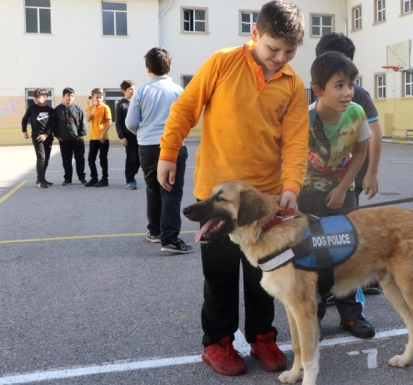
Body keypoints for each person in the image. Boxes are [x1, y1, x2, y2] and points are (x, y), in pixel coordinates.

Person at [156, 0, 308, 376]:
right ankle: (217, 343)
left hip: (265, 203)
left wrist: (291, 185)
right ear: (254, 34)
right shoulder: (222, 62)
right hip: (218, 199)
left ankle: (263, 337)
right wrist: (168, 152)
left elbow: (296, 142)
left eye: (289, 52)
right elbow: (186, 108)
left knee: (265, 278)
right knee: (220, 276)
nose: (280, 58)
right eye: (273, 49)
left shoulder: (293, 83)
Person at [300, 51, 373, 339]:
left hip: (344, 193)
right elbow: (289, 158)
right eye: (339, 85)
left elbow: (361, 151)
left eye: (351, 85)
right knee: (314, 258)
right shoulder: (303, 118)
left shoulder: (356, 112)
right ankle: (312, 316)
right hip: (307, 196)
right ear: (319, 90)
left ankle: (352, 315)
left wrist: (344, 188)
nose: (347, 92)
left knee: (350, 253)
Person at [314, 34, 385, 298]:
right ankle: (328, 284)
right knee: (320, 235)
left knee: (347, 234)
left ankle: (359, 285)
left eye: (350, 82)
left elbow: (374, 135)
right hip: (316, 184)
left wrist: (372, 173)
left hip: (348, 180)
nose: (346, 90)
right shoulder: (313, 97)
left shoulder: (358, 97)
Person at [125, 48, 192, 254]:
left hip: (147, 146)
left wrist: (145, 132)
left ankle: (155, 232)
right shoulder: (179, 91)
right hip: (172, 145)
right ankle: (170, 239)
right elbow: (188, 119)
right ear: (168, 66)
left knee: (153, 189)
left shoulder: (142, 91)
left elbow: (131, 123)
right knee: (171, 191)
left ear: (148, 68)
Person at [52, 88, 87, 186]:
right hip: (64, 140)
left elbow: (82, 122)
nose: (70, 98)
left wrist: (81, 134)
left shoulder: (77, 108)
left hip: (77, 140)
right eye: (68, 95)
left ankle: (82, 178)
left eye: (72, 96)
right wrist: (57, 135)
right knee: (66, 160)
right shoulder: (57, 110)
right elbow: (54, 124)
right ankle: (67, 179)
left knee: (80, 159)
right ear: (63, 96)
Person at [21, 88, 56, 188]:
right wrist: (24, 131)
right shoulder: (32, 108)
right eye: (34, 97)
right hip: (37, 138)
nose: (36, 99)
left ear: (45, 97)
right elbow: (24, 119)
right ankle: (40, 181)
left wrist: (46, 135)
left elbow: (53, 125)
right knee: (41, 158)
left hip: (47, 138)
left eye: (38, 97)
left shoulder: (50, 110)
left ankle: (42, 178)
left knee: (46, 159)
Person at [84, 88, 112, 187]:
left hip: (103, 138)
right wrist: (93, 107)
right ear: (92, 98)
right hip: (93, 138)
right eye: (97, 97)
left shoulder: (105, 107)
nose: (99, 99)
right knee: (91, 159)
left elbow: (109, 123)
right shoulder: (90, 108)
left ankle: (104, 179)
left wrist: (103, 134)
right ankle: (94, 178)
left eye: (100, 97)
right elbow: (88, 119)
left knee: (103, 159)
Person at [116, 80, 140, 190]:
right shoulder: (121, 104)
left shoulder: (137, 102)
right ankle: (130, 180)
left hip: (139, 135)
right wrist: (121, 137)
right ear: (123, 91)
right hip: (128, 136)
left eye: (134, 89)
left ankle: (133, 173)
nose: (133, 91)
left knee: (140, 159)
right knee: (131, 158)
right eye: (130, 89)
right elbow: (119, 122)